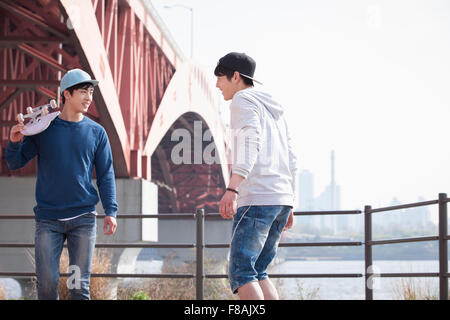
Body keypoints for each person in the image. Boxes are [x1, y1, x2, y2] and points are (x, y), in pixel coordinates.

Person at [5, 68, 118, 300]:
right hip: (48, 220)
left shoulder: (97, 133)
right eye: (83, 92)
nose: (89, 97)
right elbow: (15, 163)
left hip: (83, 220)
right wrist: (14, 141)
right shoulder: (43, 128)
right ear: (66, 94)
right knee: (46, 287)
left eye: (91, 92)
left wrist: (111, 211)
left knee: (79, 288)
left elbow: (106, 174)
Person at [215, 52, 297, 300]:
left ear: (236, 77)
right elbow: (291, 157)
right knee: (259, 270)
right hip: (281, 199)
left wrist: (232, 189)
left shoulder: (242, 100)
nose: (217, 84)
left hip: (258, 199)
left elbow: (250, 141)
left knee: (242, 273)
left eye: (220, 77)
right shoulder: (274, 109)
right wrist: (291, 202)